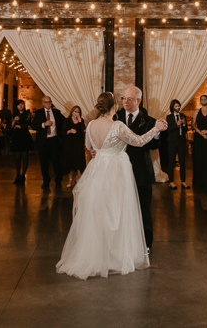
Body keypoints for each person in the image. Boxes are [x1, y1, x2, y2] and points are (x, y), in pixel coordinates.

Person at [56, 92, 167, 280]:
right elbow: (139, 142)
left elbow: (90, 147)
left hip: (97, 171)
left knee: (98, 212)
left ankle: (97, 255)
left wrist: (97, 152)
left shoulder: (90, 124)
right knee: (117, 211)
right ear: (114, 106)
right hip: (116, 172)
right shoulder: (117, 126)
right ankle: (115, 256)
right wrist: (156, 128)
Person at [116, 86, 161, 252]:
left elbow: (155, 145)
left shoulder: (149, 120)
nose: (125, 102)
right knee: (120, 208)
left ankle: (146, 245)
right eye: (123, 98)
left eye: (129, 99)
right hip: (119, 171)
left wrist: (156, 132)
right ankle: (122, 243)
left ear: (138, 101)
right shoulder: (116, 117)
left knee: (143, 210)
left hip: (141, 171)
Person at [31, 96, 65, 190]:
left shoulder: (56, 112)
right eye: (46, 102)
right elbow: (33, 126)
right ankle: (46, 181)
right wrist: (43, 124)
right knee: (44, 163)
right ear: (42, 103)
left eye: (49, 102)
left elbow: (63, 123)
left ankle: (58, 181)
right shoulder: (38, 113)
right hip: (43, 141)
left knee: (56, 162)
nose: (48, 104)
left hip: (54, 140)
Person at [165, 99, 189, 190]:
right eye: (176, 106)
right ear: (172, 107)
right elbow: (168, 130)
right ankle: (171, 182)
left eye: (178, 105)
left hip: (181, 141)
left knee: (182, 161)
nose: (177, 107)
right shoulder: (169, 117)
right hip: (172, 141)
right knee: (171, 161)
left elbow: (186, 130)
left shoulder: (183, 116)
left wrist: (183, 124)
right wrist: (177, 124)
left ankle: (183, 181)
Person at [62, 106, 87, 188]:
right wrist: (69, 131)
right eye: (75, 111)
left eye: (78, 112)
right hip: (69, 144)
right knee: (70, 161)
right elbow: (63, 132)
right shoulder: (67, 120)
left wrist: (79, 119)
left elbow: (83, 129)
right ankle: (70, 179)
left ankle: (80, 178)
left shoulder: (81, 121)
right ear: (72, 111)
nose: (76, 113)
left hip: (78, 144)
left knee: (79, 161)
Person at [11, 100, 33, 184]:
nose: (21, 106)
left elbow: (26, 124)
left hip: (25, 136)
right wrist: (14, 120)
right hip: (17, 136)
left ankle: (23, 175)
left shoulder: (27, 113)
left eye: (22, 104)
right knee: (17, 157)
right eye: (19, 104)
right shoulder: (14, 114)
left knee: (25, 156)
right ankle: (17, 175)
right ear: (16, 106)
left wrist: (19, 125)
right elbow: (11, 126)